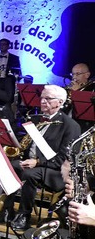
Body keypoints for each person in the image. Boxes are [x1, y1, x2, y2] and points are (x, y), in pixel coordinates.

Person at [10, 85, 81, 230]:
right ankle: (7, 209)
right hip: (33, 163)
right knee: (9, 166)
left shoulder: (70, 126)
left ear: (60, 102)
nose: (43, 101)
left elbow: (64, 159)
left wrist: (37, 162)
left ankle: (24, 215)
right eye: (42, 98)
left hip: (55, 171)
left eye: (48, 99)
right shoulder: (37, 119)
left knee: (30, 174)